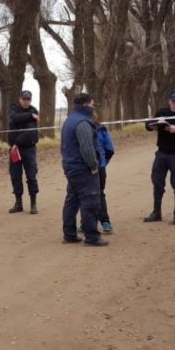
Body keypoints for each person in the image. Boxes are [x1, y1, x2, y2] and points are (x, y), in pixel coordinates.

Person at [61, 93, 109, 246]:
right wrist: (93, 165)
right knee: (90, 201)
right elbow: (86, 147)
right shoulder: (83, 122)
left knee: (72, 200)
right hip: (82, 168)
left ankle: (69, 234)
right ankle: (92, 237)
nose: (93, 107)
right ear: (86, 105)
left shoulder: (70, 119)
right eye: (92, 104)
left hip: (70, 166)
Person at [144, 90, 175, 225]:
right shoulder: (162, 112)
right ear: (169, 101)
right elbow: (149, 127)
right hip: (161, 153)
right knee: (157, 183)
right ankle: (156, 213)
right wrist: (150, 124)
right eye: (173, 101)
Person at [7, 90, 40, 214]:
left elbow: (30, 132)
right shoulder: (14, 109)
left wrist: (17, 142)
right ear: (20, 99)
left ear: (30, 100)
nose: (26, 101)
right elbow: (15, 119)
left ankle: (33, 203)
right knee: (15, 176)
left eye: (28, 99)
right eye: (24, 99)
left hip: (28, 149)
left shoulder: (34, 110)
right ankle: (18, 203)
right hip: (14, 150)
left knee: (31, 176)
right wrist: (29, 116)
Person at [95, 112, 116, 233]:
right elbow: (110, 150)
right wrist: (103, 162)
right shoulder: (103, 129)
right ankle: (105, 222)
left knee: (86, 195)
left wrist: (103, 162)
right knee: (99, 193)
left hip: (89, 168)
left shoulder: (101, 130)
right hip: (100, 166)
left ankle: (87, 223)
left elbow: (110, 150)